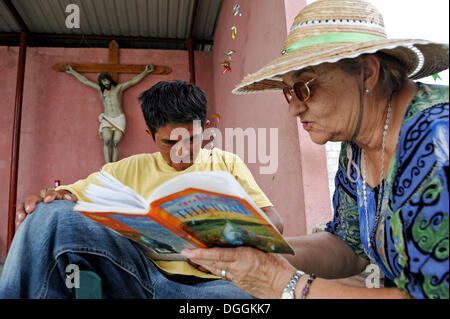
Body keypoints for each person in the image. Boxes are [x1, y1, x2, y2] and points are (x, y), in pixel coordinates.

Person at [180, 0, 449, 299]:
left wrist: (280, 283)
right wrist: (257, 252)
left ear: (367, 73)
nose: (294, 109)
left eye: (305, 88)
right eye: (288, 93)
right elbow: (348, 246)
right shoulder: (356, 148)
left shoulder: (438, 139)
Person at [0, 80, 283, 298]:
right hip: (136, 276)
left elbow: (275, 222)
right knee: (50, 215)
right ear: (150, 135)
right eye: (168, 144)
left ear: (206, 129)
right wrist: (47, 201)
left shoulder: (226, 163)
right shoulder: (127, 169)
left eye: (192, 139)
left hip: (213, 286)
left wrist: (223, 241)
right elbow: (67, 199)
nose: (181, 152)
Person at [64, 64, 154, 163]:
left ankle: (113, 165)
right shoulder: (101, 90)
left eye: (106, 80)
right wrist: (72, 72)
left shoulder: (118, 88)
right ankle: (107, 165)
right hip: (107, 118)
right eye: (103, 81)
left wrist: (146, 72)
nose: (105, 83)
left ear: (109, 80)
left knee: (115, 143)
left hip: (119, 118)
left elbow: (133, 81)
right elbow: (85, 81)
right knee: (107, 141)